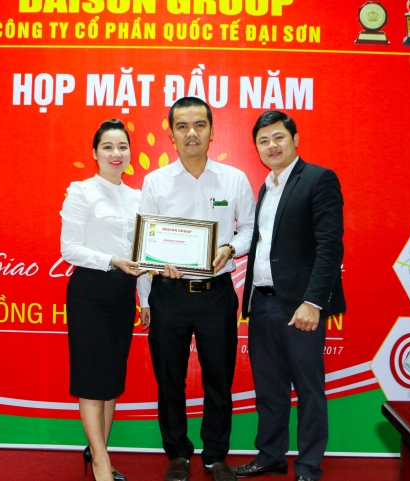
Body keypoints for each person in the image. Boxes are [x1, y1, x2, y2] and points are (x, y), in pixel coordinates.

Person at [140, 97, 256, 481]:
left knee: (218, 378)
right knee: (169, 377)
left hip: (216, 294)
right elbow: (144, 242)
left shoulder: (234, 179)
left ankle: (215, 455)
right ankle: (177, 453)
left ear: (211, 131)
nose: (192, 133)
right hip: (168, 294)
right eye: (183, 126)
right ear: (171, 134)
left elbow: (250, 229)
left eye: (200, 125)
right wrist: (147, 291)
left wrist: (230, 248)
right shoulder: (155, 182)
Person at [232, 111, 345, 481]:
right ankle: (271, 455)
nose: (272, 146)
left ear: (295, 139)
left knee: (309, 389)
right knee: (269, 388)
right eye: (263, 141)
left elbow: (330, 246)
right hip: (262, 303)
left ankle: (309, 466)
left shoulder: (318, 179)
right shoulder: (266, 188)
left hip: (300, 307)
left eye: (278, 137)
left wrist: (313, 302)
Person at [61, 119, 152, 481]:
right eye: (108, 147)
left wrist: (145, 300)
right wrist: (111, 260)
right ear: (95, 153)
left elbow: (142, 255)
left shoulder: (138, 198)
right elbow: (69, 249)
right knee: (90, 379)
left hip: (122, 295)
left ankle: (100, 450)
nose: (116, 154)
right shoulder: (80, 192)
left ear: (131, 152)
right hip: (89, 292)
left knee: (111, 379)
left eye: (123, 147)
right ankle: (100, 463)